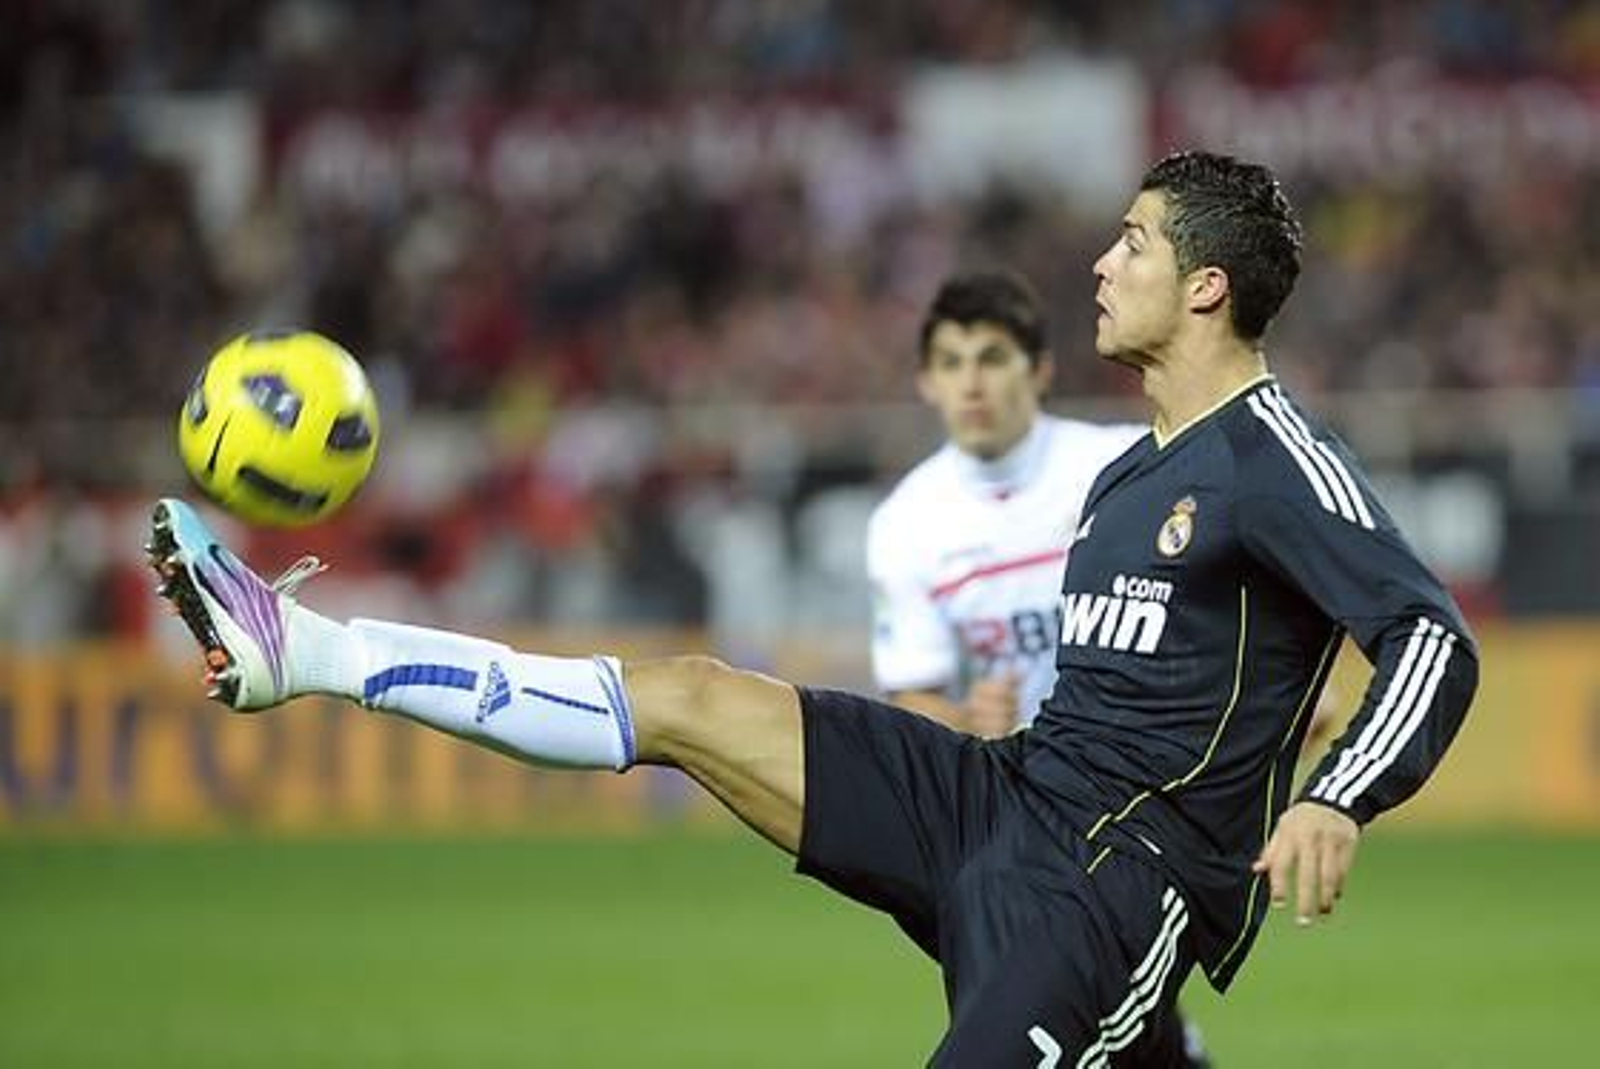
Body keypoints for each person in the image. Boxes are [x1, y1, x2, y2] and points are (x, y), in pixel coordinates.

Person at [149, 150, 1478, 1066]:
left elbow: (1428, 634)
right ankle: (308, 647)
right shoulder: (1130, 474)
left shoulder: (1272, 455)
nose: (1100, 260)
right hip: (1000, 798)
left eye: (1132, 240)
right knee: (686, 696)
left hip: (1112, 889)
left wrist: (1336, 792)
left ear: (1203, 284)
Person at [868, 269, 1144, 738]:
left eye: (992, 359)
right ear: (927, 383)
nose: (971, 385)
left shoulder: (1122, 464)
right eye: (951, 364)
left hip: (1141, 755)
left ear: (1039, 370)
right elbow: (912, 693)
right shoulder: (904, 523)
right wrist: (966, 720)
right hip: (1020, 783)